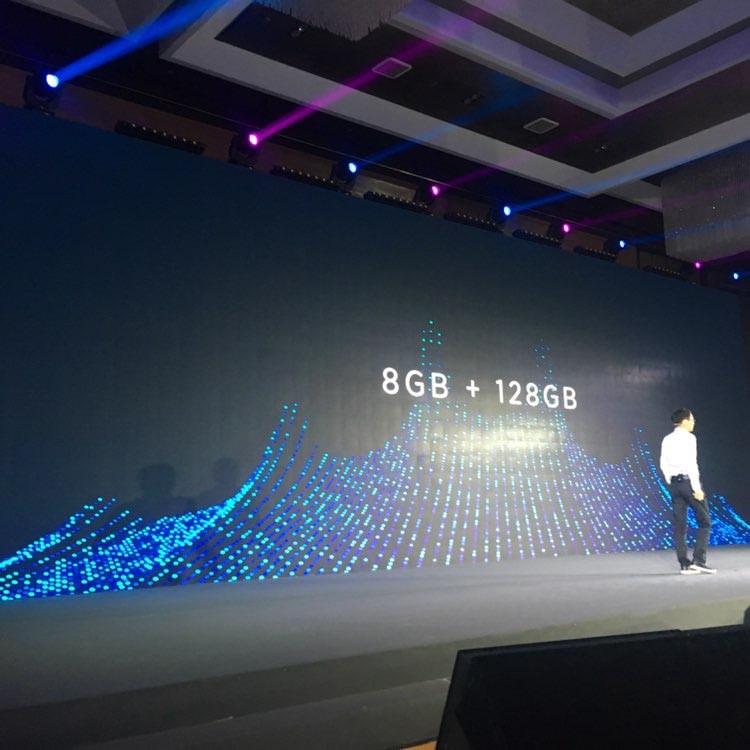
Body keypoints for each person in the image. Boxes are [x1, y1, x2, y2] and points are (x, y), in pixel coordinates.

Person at [659, 408, 716, 575]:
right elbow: (692, 464)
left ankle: (684, 564)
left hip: (675, 485)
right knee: (705, 521)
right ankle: (699, 561)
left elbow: (663, 463)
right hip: (688, 484)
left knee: (680, 525)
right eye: (692, 420)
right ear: (684, 421)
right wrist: (697, 488)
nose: (693, 423)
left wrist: (671, 480)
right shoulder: (690, 438)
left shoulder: (667, 439)